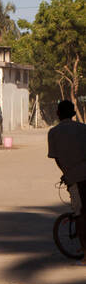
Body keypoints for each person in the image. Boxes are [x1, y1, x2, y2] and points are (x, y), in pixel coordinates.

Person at [47, 99, 86, 262]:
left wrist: (66, 172)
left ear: (58, 114)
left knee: (80, 215)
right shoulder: (83, 129)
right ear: (73, 113)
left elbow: (56, 158)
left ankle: (85, 251)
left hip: (74, 178)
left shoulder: (53, 133)